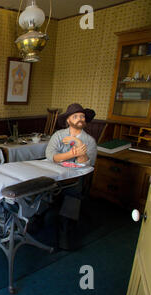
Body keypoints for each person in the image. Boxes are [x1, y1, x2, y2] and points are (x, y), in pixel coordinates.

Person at [45, 103, 97, 250]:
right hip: (54, 174)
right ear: (68, 120)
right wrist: (71, 154)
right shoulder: (58, 136)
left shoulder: (90, 141)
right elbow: (50, 155)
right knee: (40, 186)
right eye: (75, 116)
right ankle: (36, 218)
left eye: (82, 116)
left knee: (74, 193)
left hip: (75, 178)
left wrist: (79, 144)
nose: (80, 118)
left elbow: (87, 164)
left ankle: (65, 231)